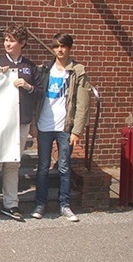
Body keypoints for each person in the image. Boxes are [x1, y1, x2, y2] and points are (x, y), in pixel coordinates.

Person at [0, 26, 42, 225]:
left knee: (13, 164)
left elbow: (40, 93)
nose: (7, 43)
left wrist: (28, 86)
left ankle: (11, 204)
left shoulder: (30, 67)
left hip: (21, 122)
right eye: (6, 39)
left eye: (12, 40)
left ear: (22, 43)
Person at [32, 33, 91, 222]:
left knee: (64, 167)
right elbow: (36, 96)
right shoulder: (44, 69)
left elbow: (83, 103)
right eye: (56, 46)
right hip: (44, 124)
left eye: (63, 46)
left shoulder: (77, 71)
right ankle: (40, 204)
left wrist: (77, 131)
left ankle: (64, 205)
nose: (59, 50)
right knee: (42, 167)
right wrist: (34, 124)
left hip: (65, 126)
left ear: (69, 48)